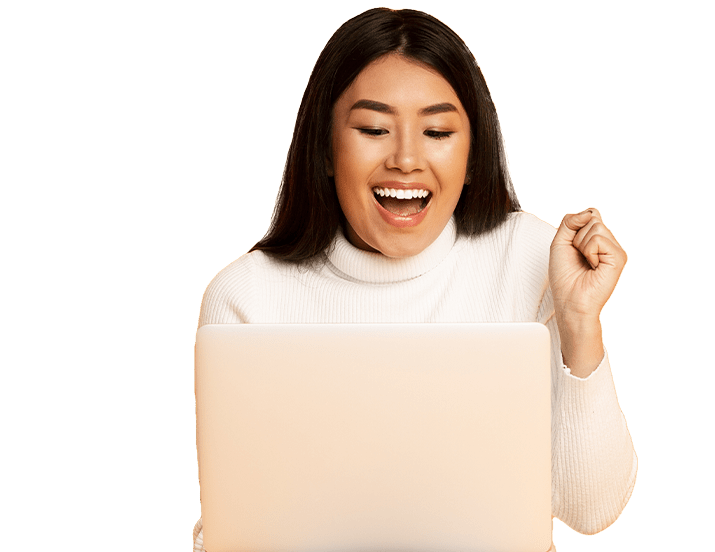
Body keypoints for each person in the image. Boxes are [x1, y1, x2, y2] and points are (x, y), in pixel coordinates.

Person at [193, 7, 636, 551]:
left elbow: (591, 510)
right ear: (326, 149)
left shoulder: (527, 256)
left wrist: (579, 320)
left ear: (472, 154)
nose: (406, 159)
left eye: (437, 131)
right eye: (374, 128)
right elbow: (231, 530)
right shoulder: (247, 298)